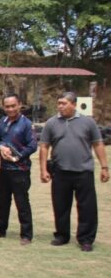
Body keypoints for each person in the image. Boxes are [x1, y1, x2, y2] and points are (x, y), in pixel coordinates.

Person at [40, 91, 109, 252]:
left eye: (64, 103)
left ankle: (86, 239)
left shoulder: (88, 122)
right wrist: (43, 170)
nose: (60, 106)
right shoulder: (51, 123)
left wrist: (104, 167)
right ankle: (62, 235)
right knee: (61, 206)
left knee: (87, 207)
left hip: (83, 171)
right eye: (59, 103)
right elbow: (44, 146)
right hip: (60, 171)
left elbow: (98, 144)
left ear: (74, 104)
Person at [0, 93, 37, 245]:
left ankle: (26, 234)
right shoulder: (3, 122)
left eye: (13, 106)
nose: (10, 109)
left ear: (19, 105)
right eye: (7, 106)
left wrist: (18, 157)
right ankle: (0, 228)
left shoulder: (26, 124)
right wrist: (0, 147)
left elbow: (32, 146)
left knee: (22, 202)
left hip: (20, 170)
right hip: (4, 169)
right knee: (2, 201)